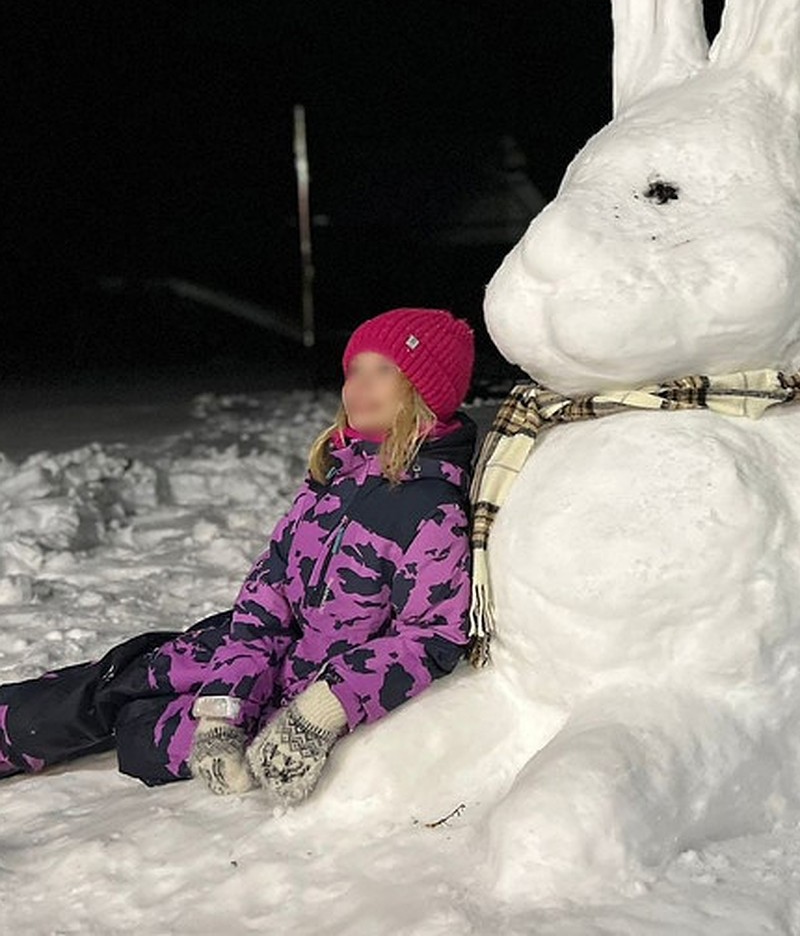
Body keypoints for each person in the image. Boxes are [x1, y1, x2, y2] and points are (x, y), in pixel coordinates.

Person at [0, 307, 477, 803]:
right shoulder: (340, 473)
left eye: (383, 372)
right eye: (355, 370)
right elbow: (270, 587)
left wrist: (319, 710)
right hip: (248, 649)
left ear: (425, 390)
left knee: (141, 736)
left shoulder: (430, 509)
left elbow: (431, 636)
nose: (359, 386)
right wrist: (224, 705)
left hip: (301, 692)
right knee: (116, 680)